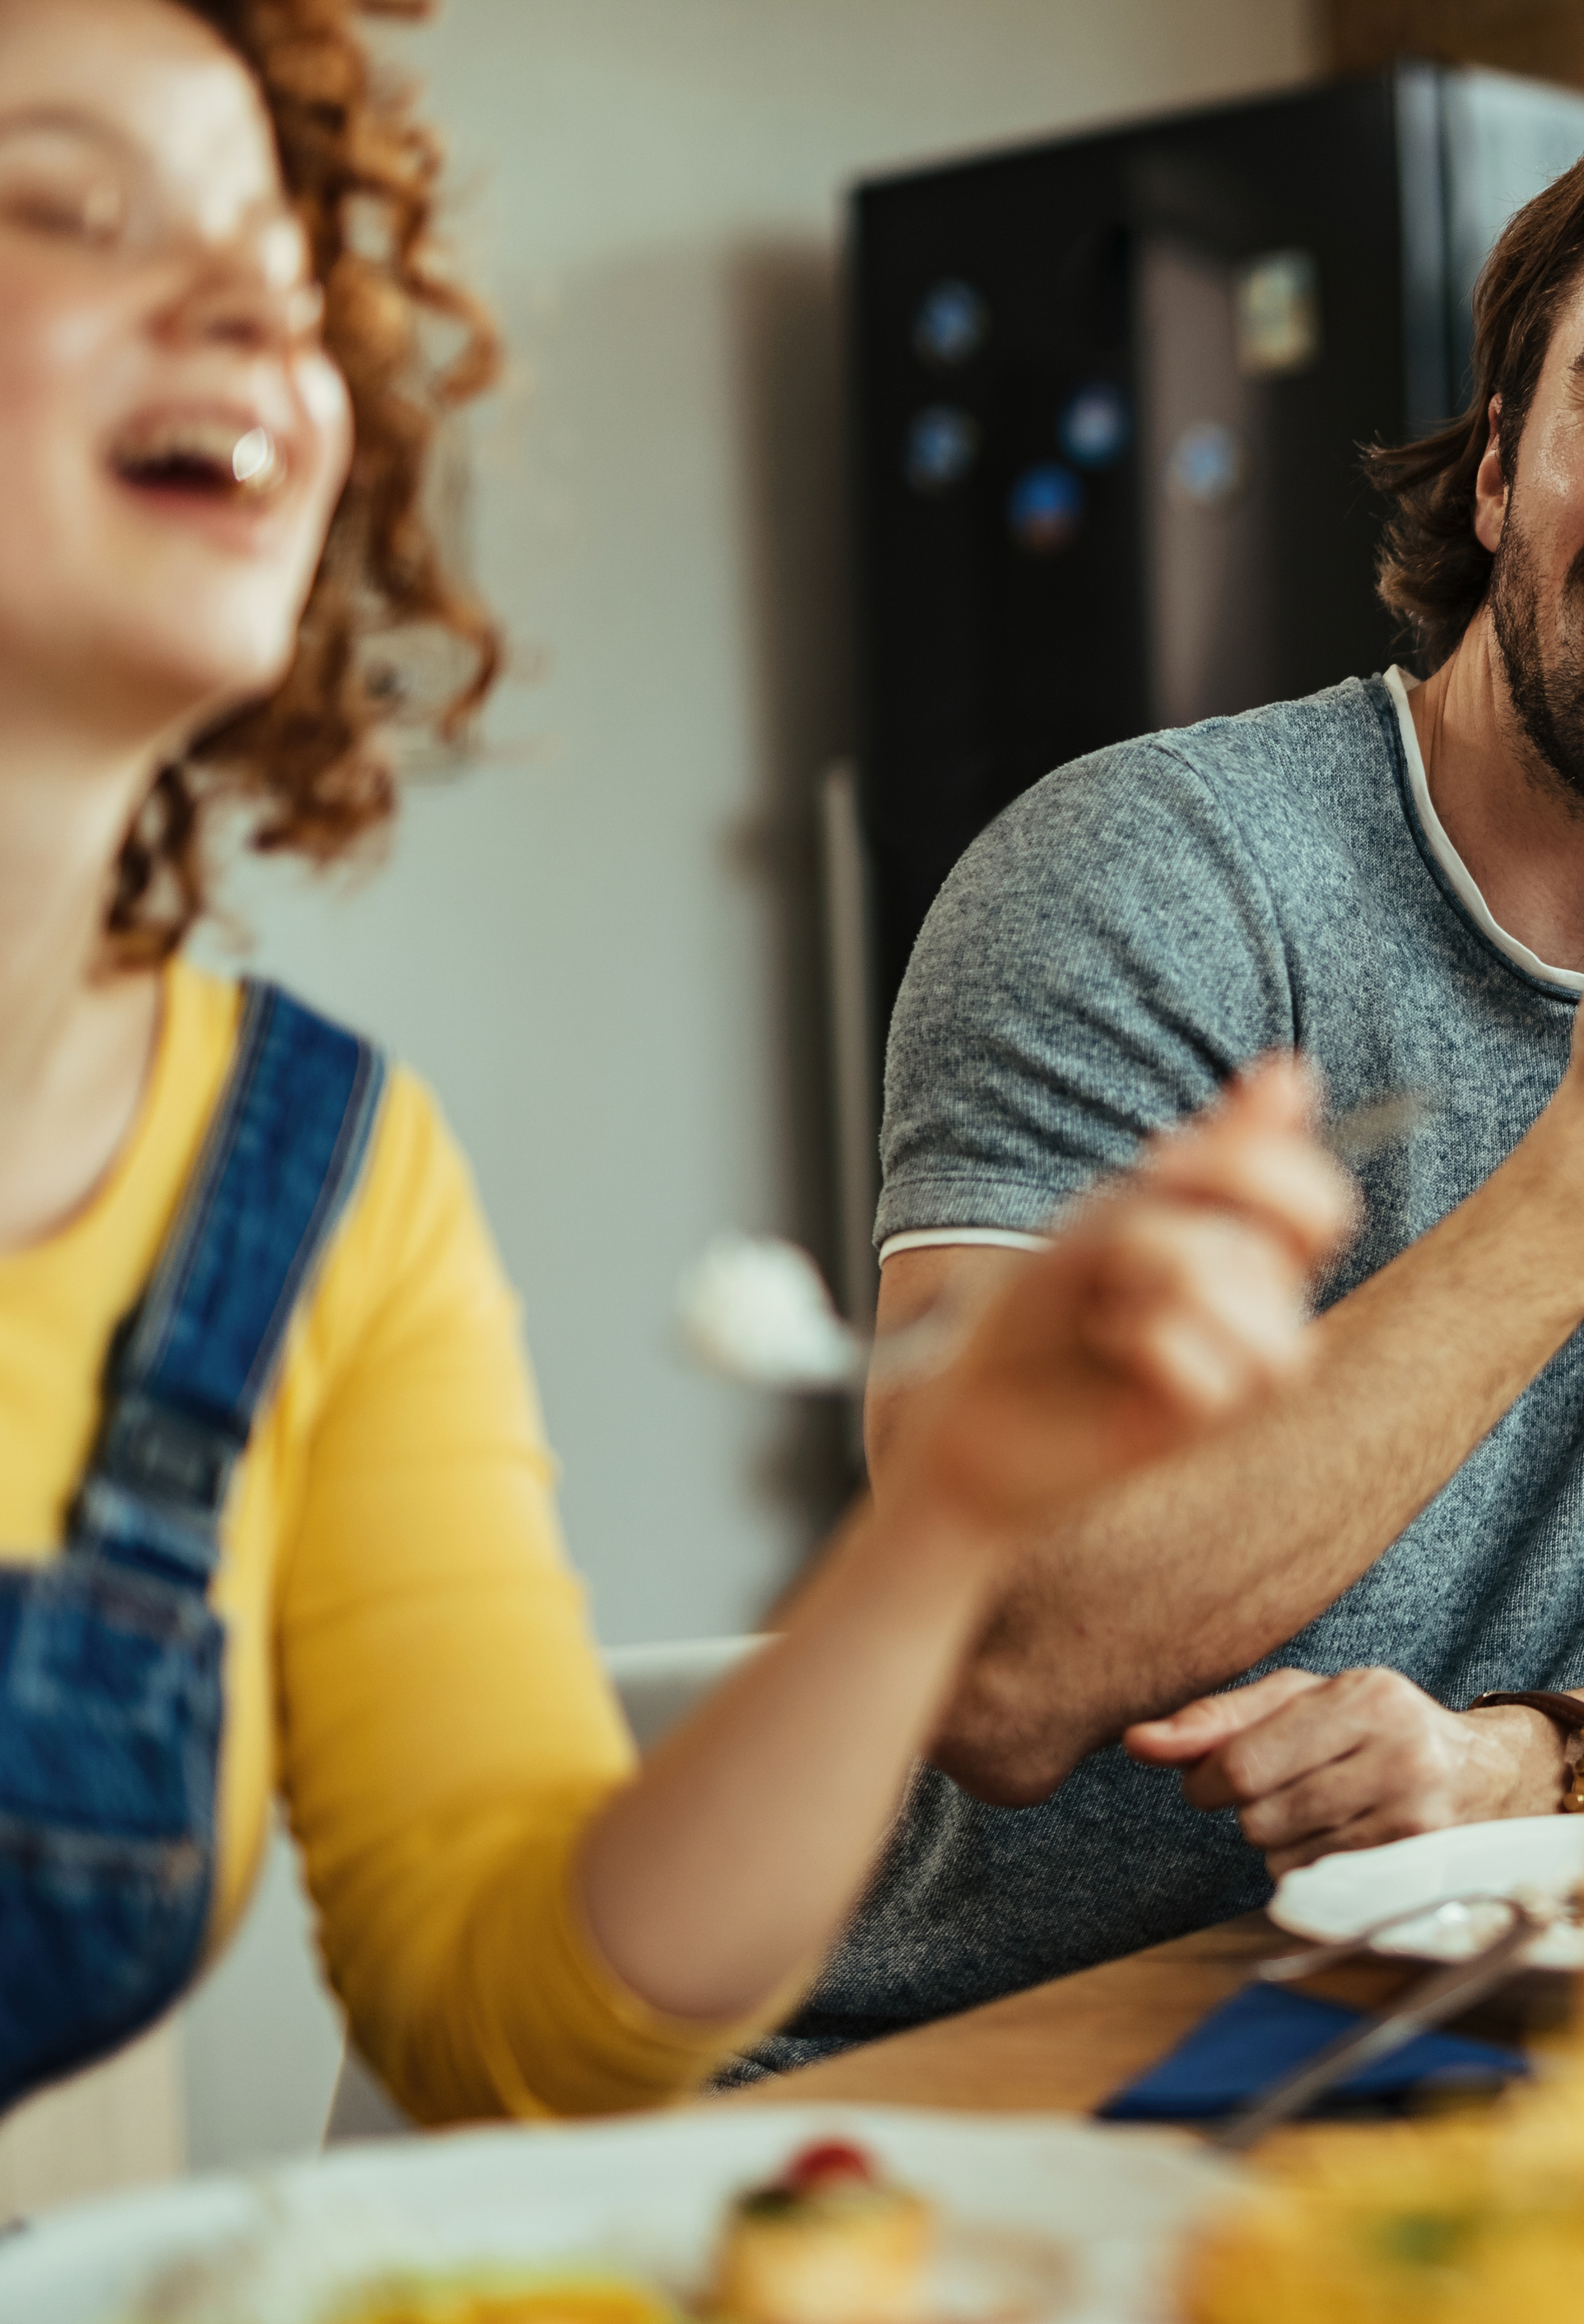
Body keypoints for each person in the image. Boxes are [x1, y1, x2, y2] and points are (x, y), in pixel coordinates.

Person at [0, 0, 1354, 2122]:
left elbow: (530, 2011)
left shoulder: (299, 1177)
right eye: (69, 203)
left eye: (282, 258)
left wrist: (952, 1515)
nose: (256, 306)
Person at [778, 47, 1584, 2068]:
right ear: (1496, 469)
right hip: (1005, 2061)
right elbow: (995, 1671)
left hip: (1520, 2031)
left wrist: (1545, 1760)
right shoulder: (1146, 874)